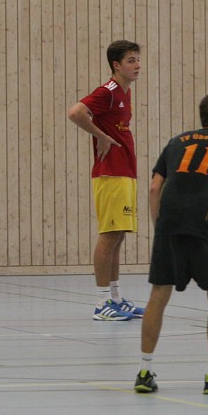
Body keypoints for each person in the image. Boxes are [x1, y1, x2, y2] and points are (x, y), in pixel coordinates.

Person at [134, 92, 208, 394]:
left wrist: (160, 227)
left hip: (170, 225)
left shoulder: (176, 142)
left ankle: (144, 372)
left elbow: (154, 187)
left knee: (159, 294)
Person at [67, 40, 144, 321]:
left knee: (119, 235)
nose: (137, 65)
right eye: (131, 61)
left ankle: (115, 297)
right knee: (109, 235)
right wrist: (99, 135)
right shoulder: (108, 91)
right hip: (110, 172)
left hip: (125, 170)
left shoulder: (126, 93)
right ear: (116, 65)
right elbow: (76, 112)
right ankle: (101, 304)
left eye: (138, 60)